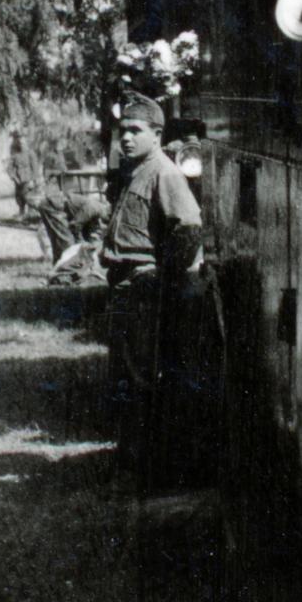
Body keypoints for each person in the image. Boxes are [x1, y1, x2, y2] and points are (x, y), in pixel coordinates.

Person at [100, 93, 202, 482]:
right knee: (125, 377)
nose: (126, 138)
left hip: (144, 287)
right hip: (126, 285)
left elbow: (188, 228)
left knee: (141, 379)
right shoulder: (136, 170)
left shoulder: (164, 172)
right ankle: (132, 463)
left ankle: (143, 471)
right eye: (122, 131)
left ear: (156, 134)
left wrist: (163, 279)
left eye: (135, 131)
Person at [6, 130, 45, 222]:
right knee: (19, 197)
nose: (21, 144)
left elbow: (35, 168)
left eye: (23, 142)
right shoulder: (15, 155)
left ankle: (33, 214)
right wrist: (14, 177)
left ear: (26, 143)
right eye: (19, 142)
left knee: (28, 198)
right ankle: (21, 213)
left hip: (28, 179)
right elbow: (9, 168)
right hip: (18, 180)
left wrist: (33, 180)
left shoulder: (30, 153)